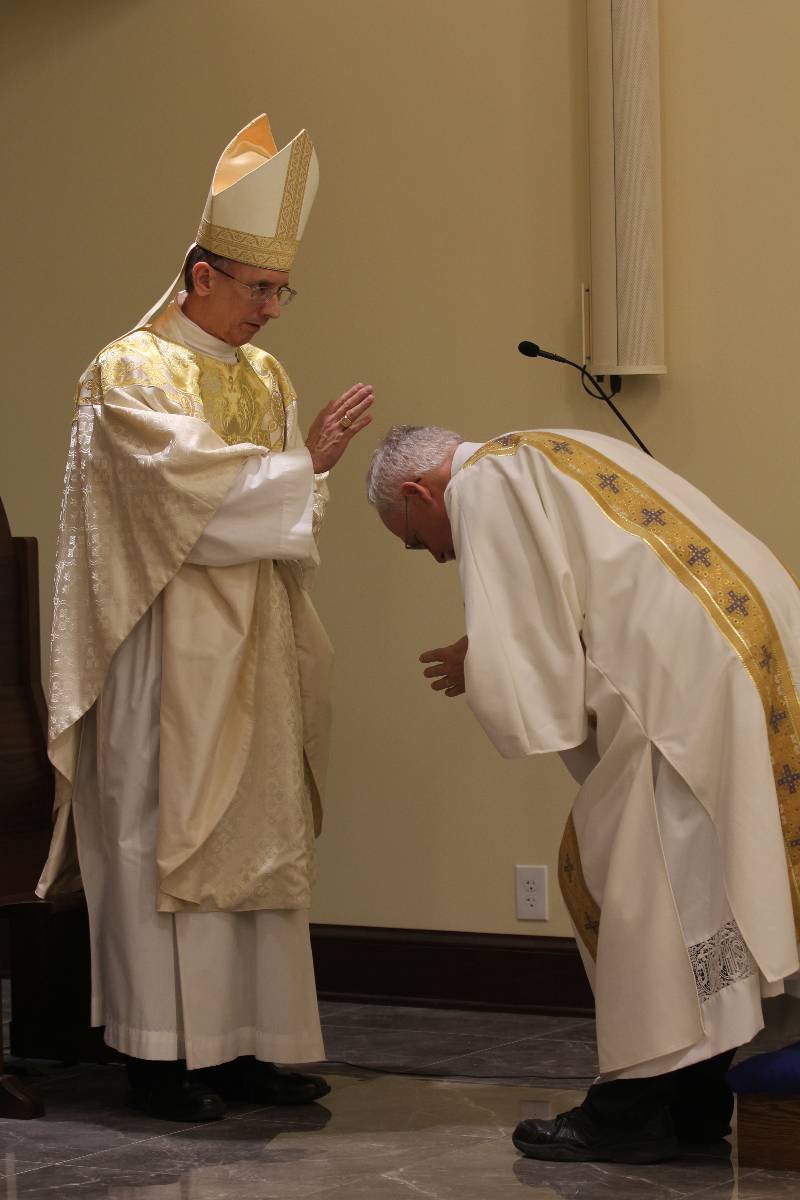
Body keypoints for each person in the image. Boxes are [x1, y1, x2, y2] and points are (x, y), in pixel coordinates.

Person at [36, 114, 374, 1122]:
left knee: (258, 837)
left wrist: (301, 480)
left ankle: (240, 1051)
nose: (271, 309)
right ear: (197, 275)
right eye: (255, 287)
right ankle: (157, 1057)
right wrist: (299, 469)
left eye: (280, 290)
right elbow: (179, 493)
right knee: (162, 841)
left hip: (254, 646)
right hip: (164, 651)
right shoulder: (131, 369)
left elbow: (286, 512)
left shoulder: (264, 378)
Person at [367, 424, 800, 1163]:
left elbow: (533, 657)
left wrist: (489, 665)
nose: (438, 556)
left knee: (650, 894)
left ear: (421, 492)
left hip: (680, 699)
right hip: (747, 656)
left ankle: (631, 1112)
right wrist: (496, 648)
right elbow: (586, 589)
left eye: (419, 540)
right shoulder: (551, 446)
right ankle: (694, 1102)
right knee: (708, 892)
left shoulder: (483, 485)